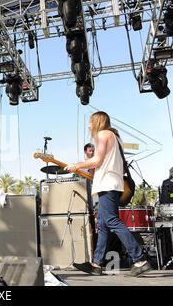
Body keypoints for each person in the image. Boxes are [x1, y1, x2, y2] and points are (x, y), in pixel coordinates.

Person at [64, 111, 152, 277]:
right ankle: (96, 264)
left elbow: (97, 161)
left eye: (90, 122)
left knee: (111, 221)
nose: (89, 125)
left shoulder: (103, 134)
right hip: (113, 184)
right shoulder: (115, 137)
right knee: (103, 226)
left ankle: (140, 259)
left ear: (97, 121)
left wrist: (76, 165)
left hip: (108, 184)